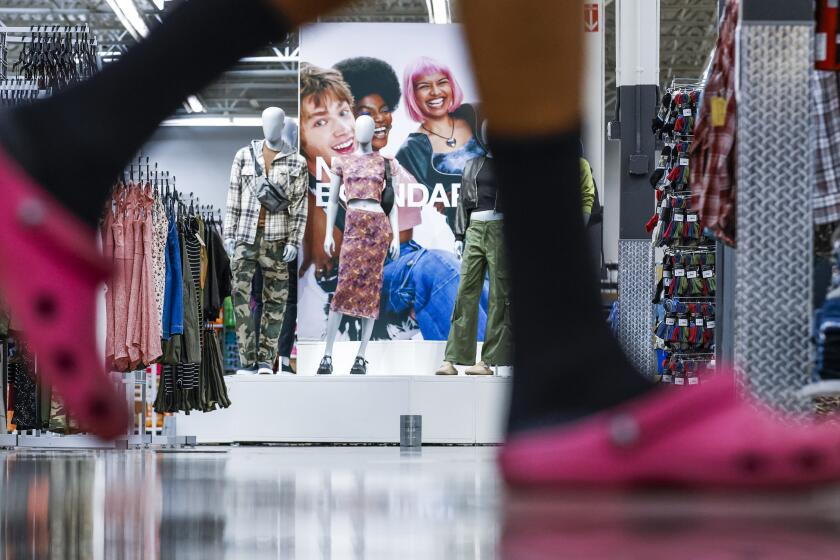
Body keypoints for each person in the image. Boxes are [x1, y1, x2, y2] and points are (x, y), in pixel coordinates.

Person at [1, 0, 839, 488]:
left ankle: (74, 141)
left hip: (405, 236)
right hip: (336, 244)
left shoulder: (394, 164)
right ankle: (72, 140)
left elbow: (393, 203)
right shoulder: (344, 163)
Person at [332, 56, 490, 341]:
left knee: (473, 273)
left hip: (412, 251)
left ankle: (504, 363)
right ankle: (475, 366)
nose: (378, 119)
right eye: (365, 113)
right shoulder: (343, 167)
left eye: (383, 110)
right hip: (374, 265)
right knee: (437, 268)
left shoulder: (394, 165)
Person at [396, 56, 486, 231]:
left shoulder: (477, 114)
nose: (435, 92)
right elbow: (405, 211)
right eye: (424, 86)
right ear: (412, 94)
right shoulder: (410, 152)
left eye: (442, 82)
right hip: (472, 236)